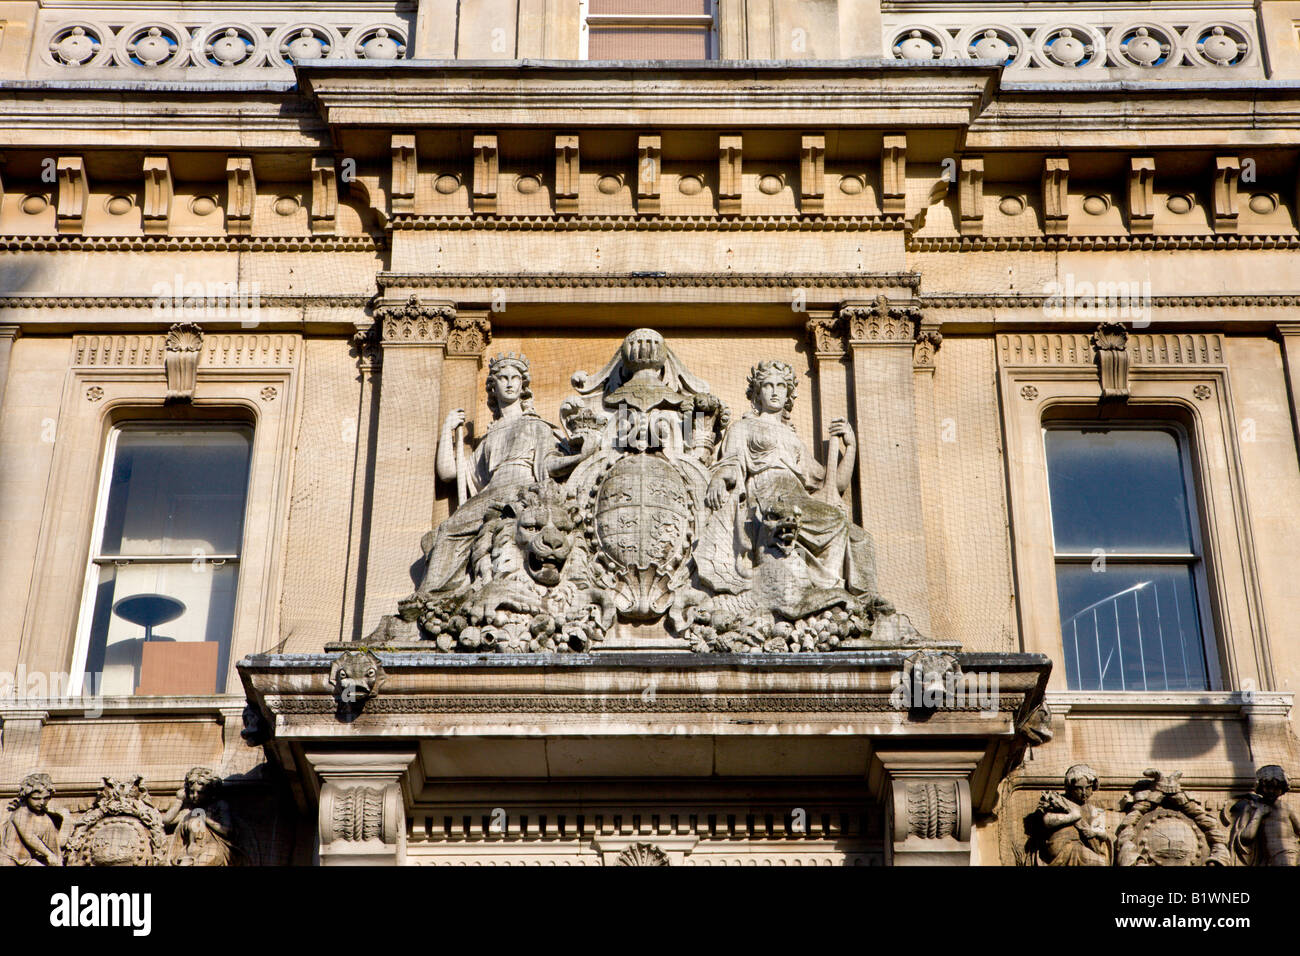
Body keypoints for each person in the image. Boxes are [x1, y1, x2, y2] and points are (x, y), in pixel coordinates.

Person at [419, 352, 593, 594]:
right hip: (491, 493)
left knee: (450, 530)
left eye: (515, 378)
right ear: (493, 386)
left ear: (523, 386)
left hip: (520, 493)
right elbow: (448, 473)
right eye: (503, 378)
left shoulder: (536, 425)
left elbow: (548, 466)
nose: (510, 383)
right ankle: (432, 595)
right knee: (447, 529)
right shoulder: (489, 438)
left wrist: (580, 457)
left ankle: (434, 593)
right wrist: (448, 430)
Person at [702, 360, 874, 594]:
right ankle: (828, 586)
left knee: (850, 530)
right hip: (768, 493)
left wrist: (850, 446)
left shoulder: (793, 439)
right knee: (832, 520)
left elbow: (834, 484)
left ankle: (834, 587)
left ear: (788, 395)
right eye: (768, 385)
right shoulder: (743, 427)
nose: (774, 391)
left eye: (781, 386)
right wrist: (719, 479)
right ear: (757, 393)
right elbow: (731, 461)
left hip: (797, 496)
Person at [1033, 764, 1113, 866]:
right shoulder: (1060, 801)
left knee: (1100, 861)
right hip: (1061, 845)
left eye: (1088, 788)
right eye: (1078, 788)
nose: (1084, 793)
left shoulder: (1091, 809)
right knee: (1099, 863)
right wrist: (1072, 817)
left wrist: (1094, 833)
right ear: (1070, 788)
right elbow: (1047, 821)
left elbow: (1102, 833)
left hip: (1079, 845)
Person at [162, 767, 236, 866]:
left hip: (212, 850)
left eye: (200, 792)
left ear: (211, 792)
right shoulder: (190, 811)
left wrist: (206, 819)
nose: (195, 796)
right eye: (192, 792)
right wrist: (179, 801)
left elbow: (227, 830)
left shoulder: (219, 806)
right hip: (189, 852)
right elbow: (166, 821)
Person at [1229, 765, 1300, 866]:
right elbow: (1245, 838)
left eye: (1275, 787)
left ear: (1283, 787)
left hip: (1287, 854)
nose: (1271, 791)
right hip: (1266, 859)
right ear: (1260, 787)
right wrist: (1258, 814)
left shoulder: (1286, 808)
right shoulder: (1252, 807)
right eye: (1267, 787)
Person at [0, 772, 62, 866]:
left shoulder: (46, 819)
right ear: (26, 797)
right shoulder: (20, 813)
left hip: (28, 860)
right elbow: (29, 837)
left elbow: (54, 845)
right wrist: (48, 854)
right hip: (9, 858)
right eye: (36, 798)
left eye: (46, 798)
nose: (42, 802)